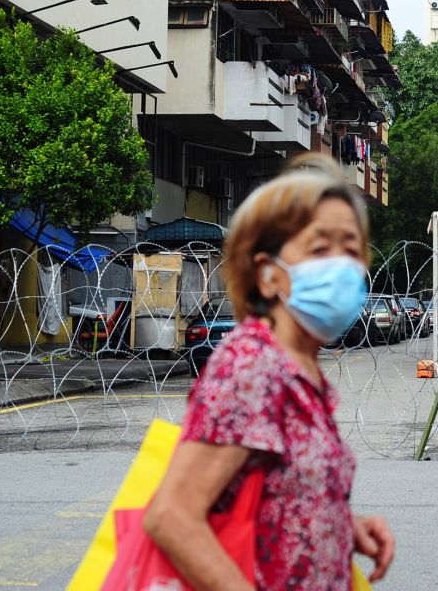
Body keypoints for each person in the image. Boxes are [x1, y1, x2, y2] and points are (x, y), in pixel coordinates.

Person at [144, 155, 394, 590]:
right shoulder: (252, 364)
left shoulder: (302, 371)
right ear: (269, 275)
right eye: (319, 249)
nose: (342, 265)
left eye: (352, 249)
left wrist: (339, 525)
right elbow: (172, 517)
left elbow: (275, 494)